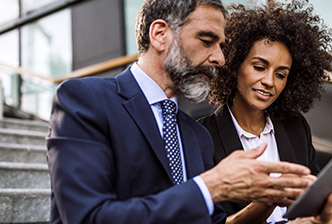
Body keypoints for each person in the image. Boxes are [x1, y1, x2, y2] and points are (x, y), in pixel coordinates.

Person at [46, 0, 315, 223]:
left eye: (221, 46)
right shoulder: (84, 100)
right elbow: (86, 217)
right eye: (207, 40)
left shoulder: (195, 135)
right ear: (160, 34)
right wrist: (212, 186)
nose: (220, 59)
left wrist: (268, 199)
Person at [199, 1, 332, 224]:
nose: (269, 81)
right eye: (259, 67)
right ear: (233, 65)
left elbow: (311, 201)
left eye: (281, 74)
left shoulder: (295, 126)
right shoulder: (201, 136)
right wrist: (268, 198)